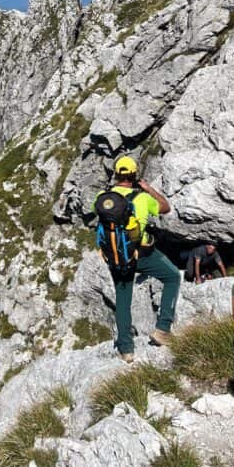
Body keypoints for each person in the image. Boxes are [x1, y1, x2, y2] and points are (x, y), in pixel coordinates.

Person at [94, 155, 181, 364]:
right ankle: (162, 329)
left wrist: (111, 190)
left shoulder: (102, 197)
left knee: (123, 299)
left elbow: (95, 211)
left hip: (115, 257)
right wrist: (147, 188)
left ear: (116, 174)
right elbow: (165, 207)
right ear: (134, 175)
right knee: (172, 277)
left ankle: (126, 349)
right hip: (142, 254)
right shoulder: (142, 198)